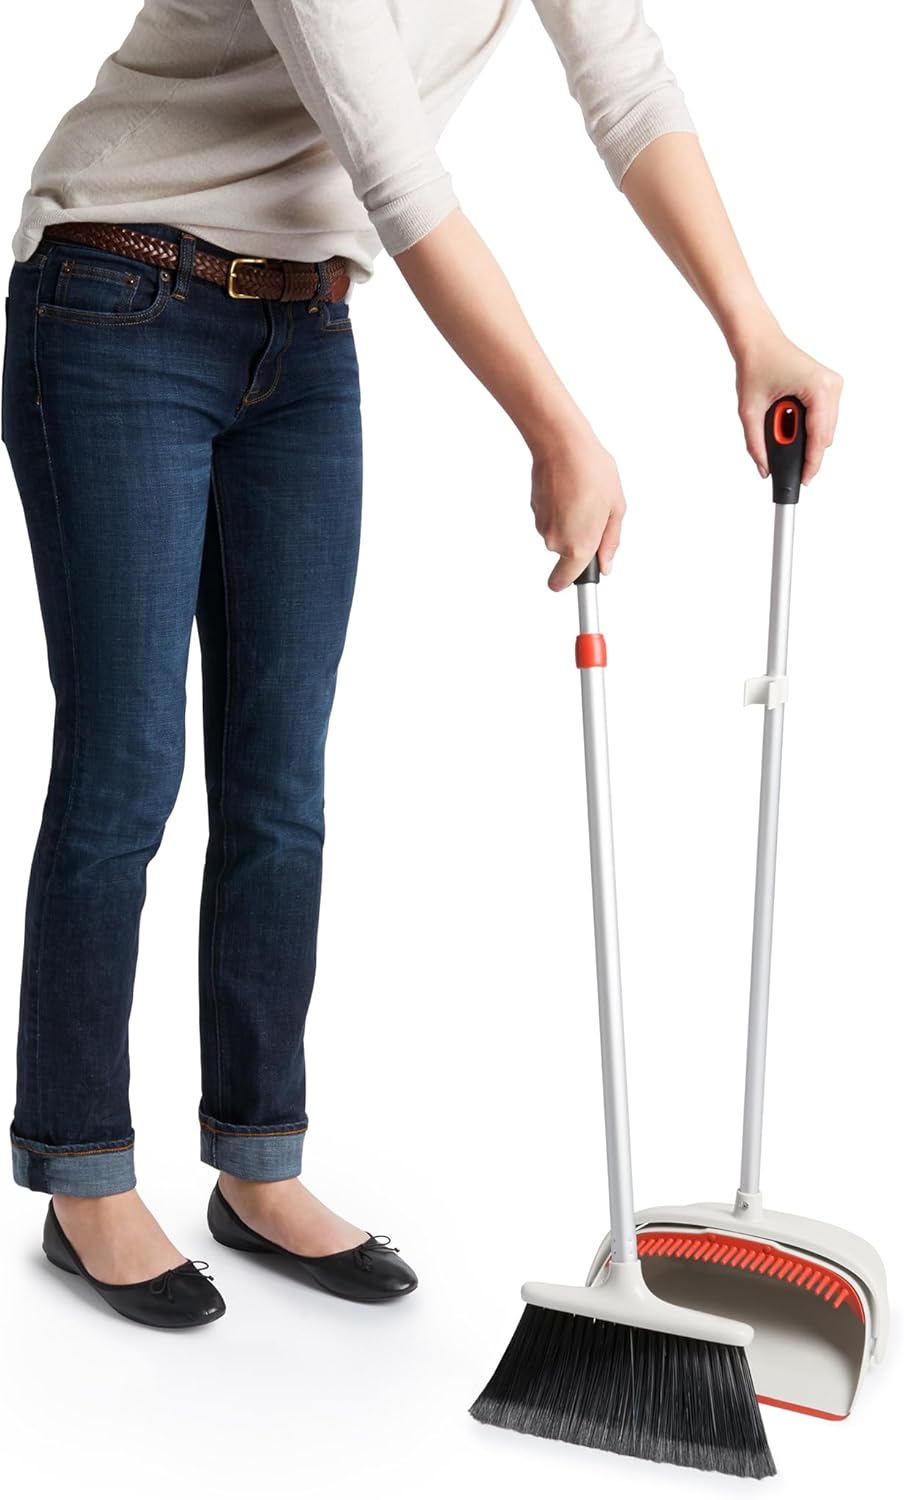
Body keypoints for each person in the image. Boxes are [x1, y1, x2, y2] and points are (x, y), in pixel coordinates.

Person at [1, 0, 841, 1329]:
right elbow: (396, 172)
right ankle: (84, 1176)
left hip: (304, 329)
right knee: (127, 766)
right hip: (119, 296)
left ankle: (258, 1163)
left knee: (281, 778)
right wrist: (558, 430)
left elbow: (627, 85)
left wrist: (755, 329)